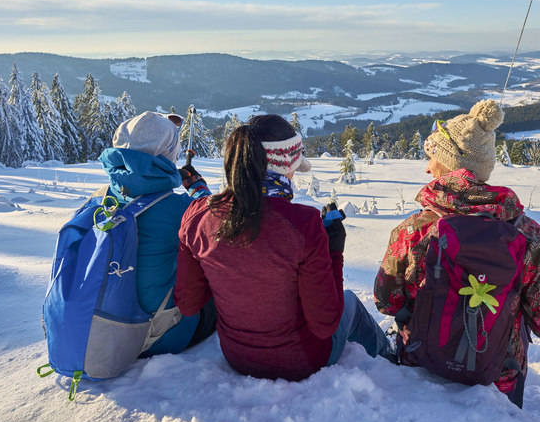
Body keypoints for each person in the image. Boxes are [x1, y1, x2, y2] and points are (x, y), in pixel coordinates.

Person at [373, 99, 540, 408]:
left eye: (433, 158)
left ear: (451, 166)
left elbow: (386, 301)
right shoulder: (527, 235)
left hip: (421, 370)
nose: (427, 168)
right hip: (496, 385)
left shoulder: (414, 230)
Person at [175, 114, 391, 381]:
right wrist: (333, 252)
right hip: (301, 360)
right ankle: (390, 358)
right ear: (285, 168)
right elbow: (325, 323)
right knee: (351, 303)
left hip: (236, 356)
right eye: (294, 168)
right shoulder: (304, 224)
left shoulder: (197, 217)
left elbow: (188, 304)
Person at [97, 110, 217, 357]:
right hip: (157, 335)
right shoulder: (179, 209)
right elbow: (216, 225)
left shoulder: (101, 200)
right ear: (167, 155)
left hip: (101, 326)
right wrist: (199, 189)